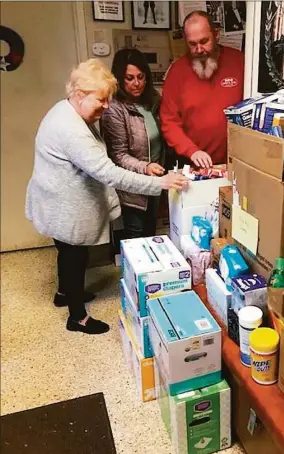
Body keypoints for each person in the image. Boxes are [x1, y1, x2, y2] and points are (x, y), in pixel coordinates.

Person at [25, 58, 188, 335]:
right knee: (75, 256)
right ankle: (77, 318)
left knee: (66, 251)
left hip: (54, 198)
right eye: (101, 100)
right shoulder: (70, 129)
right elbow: (110, 173)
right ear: (79, 94)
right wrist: (158, 183)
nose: (107, 106)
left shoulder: (66, 110)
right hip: (63, 205)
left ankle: (65, 293)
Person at [160, 10, 244, 169]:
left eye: (204, 41)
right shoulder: (177, 72)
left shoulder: (239, 61)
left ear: (216, 34)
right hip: (193, 163)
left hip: (237, 162)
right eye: (192, 44)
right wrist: (191, 151)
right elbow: (169, 121)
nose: (199, 49)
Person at [101, 49, 167, 240]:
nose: (136, 83)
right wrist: (145, 168)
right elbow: (118, 155)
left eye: (141, 77)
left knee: (151, 235)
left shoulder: (153, 102)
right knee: (135, 238)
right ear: (119, 79)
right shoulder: (114, 109)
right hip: (133, 188)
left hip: (156, 180)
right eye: (129, 78)